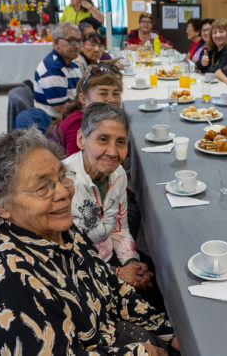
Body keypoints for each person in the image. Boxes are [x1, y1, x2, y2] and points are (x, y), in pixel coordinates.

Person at [0, 128, 180, 355]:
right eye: (42, 188)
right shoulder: (10, 287)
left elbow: (113, 290)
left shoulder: (64, 232)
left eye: (61, 177)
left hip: (112, 337)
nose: (63, 192)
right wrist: (139, 354)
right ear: (2, 206)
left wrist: (169, 333)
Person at [64, 104, 163, 307]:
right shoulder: (63, 184)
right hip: (78, 276)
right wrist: (117, 273)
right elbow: (63, 257)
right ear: (81, 140)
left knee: (159, 281)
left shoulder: (117, 175)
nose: (112, 151)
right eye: (103, 139)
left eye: (121, 142)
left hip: (109, 259)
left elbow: (120, 228)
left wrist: (130, 262)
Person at [15, 22, 82, 132]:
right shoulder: (53, 68)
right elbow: (62, 108)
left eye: (79, 41)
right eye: (72, 40)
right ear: (56, 42)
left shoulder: (73, 65)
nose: (77, 46)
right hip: (54, 124)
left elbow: (80, 95)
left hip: (68, 117)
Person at [55, 64, 123, 157]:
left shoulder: (100, 119)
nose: (112, 99)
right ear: (83, 99)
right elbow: (76, 168)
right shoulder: (78, 125)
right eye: (103, 93)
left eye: (116, 94)